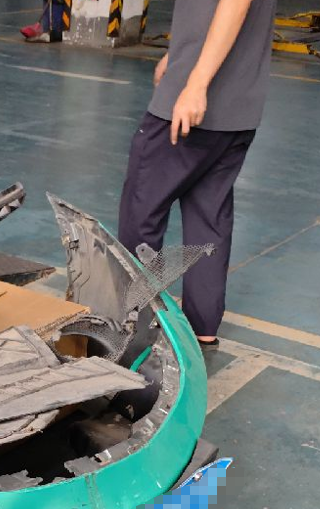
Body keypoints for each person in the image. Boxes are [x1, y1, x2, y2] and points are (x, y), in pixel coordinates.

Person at [117, 0, 275, 349]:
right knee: (209, 215)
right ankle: (203, 324)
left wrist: (196, 83)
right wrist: (178, 54)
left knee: (142, 208)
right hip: (239, 105)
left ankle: (133, 321)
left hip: (191, 102)